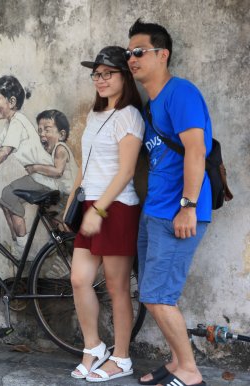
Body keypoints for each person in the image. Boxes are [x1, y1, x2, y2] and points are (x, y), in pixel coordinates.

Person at [127, 18, 212, 386]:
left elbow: (196, 150)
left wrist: (188, 205)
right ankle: (178, 363)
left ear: (163, 54)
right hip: (155, 213)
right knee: (152, 296)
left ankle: (190, 372)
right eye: (130, 53)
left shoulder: (181, 93)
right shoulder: (152, 103)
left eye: (139, 52)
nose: (132, 59)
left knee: (160, 297)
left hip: (179, 213)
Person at [67, 46, 144, 382]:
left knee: (116, 288)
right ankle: (94, 346)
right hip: (91, 206)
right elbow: (86, 167)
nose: (99, 79)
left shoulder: (130, 116)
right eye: (96, 74)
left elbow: (126, 171)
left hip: (117, 208)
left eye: (107, 73)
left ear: (123, 77)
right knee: (79, 279)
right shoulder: (95, 115)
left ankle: (122, 357)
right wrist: (74, 201)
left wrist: (99, 209)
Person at [0, 75, 57, 254]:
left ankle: (23, 249)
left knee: (8, 194)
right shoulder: (11, 123)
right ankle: (18, 243)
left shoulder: (18, 122)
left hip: (44, 176)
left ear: (11, 101)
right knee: (5, 202)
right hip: (38, 176)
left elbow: (5, 150)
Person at [25, 109, 78, 209]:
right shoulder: (53, 151)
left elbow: (58, 172)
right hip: (65, 194)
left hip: (71, 196)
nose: (41, 134)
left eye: (47, 130)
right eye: (40, 130)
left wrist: (35, 168)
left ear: (61, 135)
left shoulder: (60, 148)